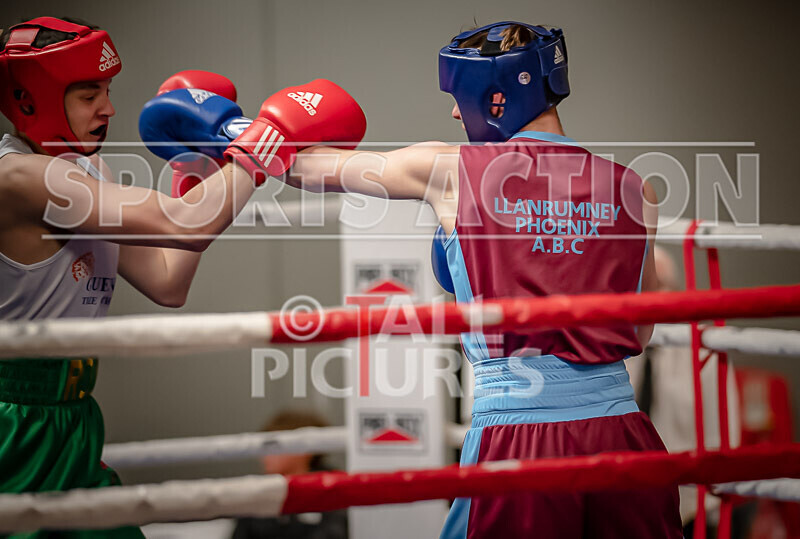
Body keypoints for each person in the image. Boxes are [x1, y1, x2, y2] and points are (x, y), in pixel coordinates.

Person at [223, 20, 682, 538]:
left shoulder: (450, 169)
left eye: (459, 99)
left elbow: (303, 169)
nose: (455, 113)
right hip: (623, 433)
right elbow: (640, 331)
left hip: (520, 435)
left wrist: (230, 128)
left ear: (495, 98)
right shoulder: (635, 189)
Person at [0, 15, 364, 537]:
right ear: (29, 100)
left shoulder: (89, 171)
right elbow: (185, 223)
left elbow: (168, 280)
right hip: (14, 420)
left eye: (107, 91)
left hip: (74, 414)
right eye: (88, 95)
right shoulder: (20, 177)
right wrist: (266, 142)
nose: (108, 109)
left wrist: (195, 166)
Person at [627, 247, 741, 536]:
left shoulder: (706, 348)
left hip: (688, 507)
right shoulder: (612, 347)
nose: (652, 294)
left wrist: (709, 510)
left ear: (677, 292)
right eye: (644, 284)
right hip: (621, 497)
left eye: (660, 284)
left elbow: (724, 433)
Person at [232, 410, 348, 539]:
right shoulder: (259, 491)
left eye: (273, 446)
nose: (265, 455)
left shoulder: (333, 488)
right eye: (264, 447)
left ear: (304, 449)